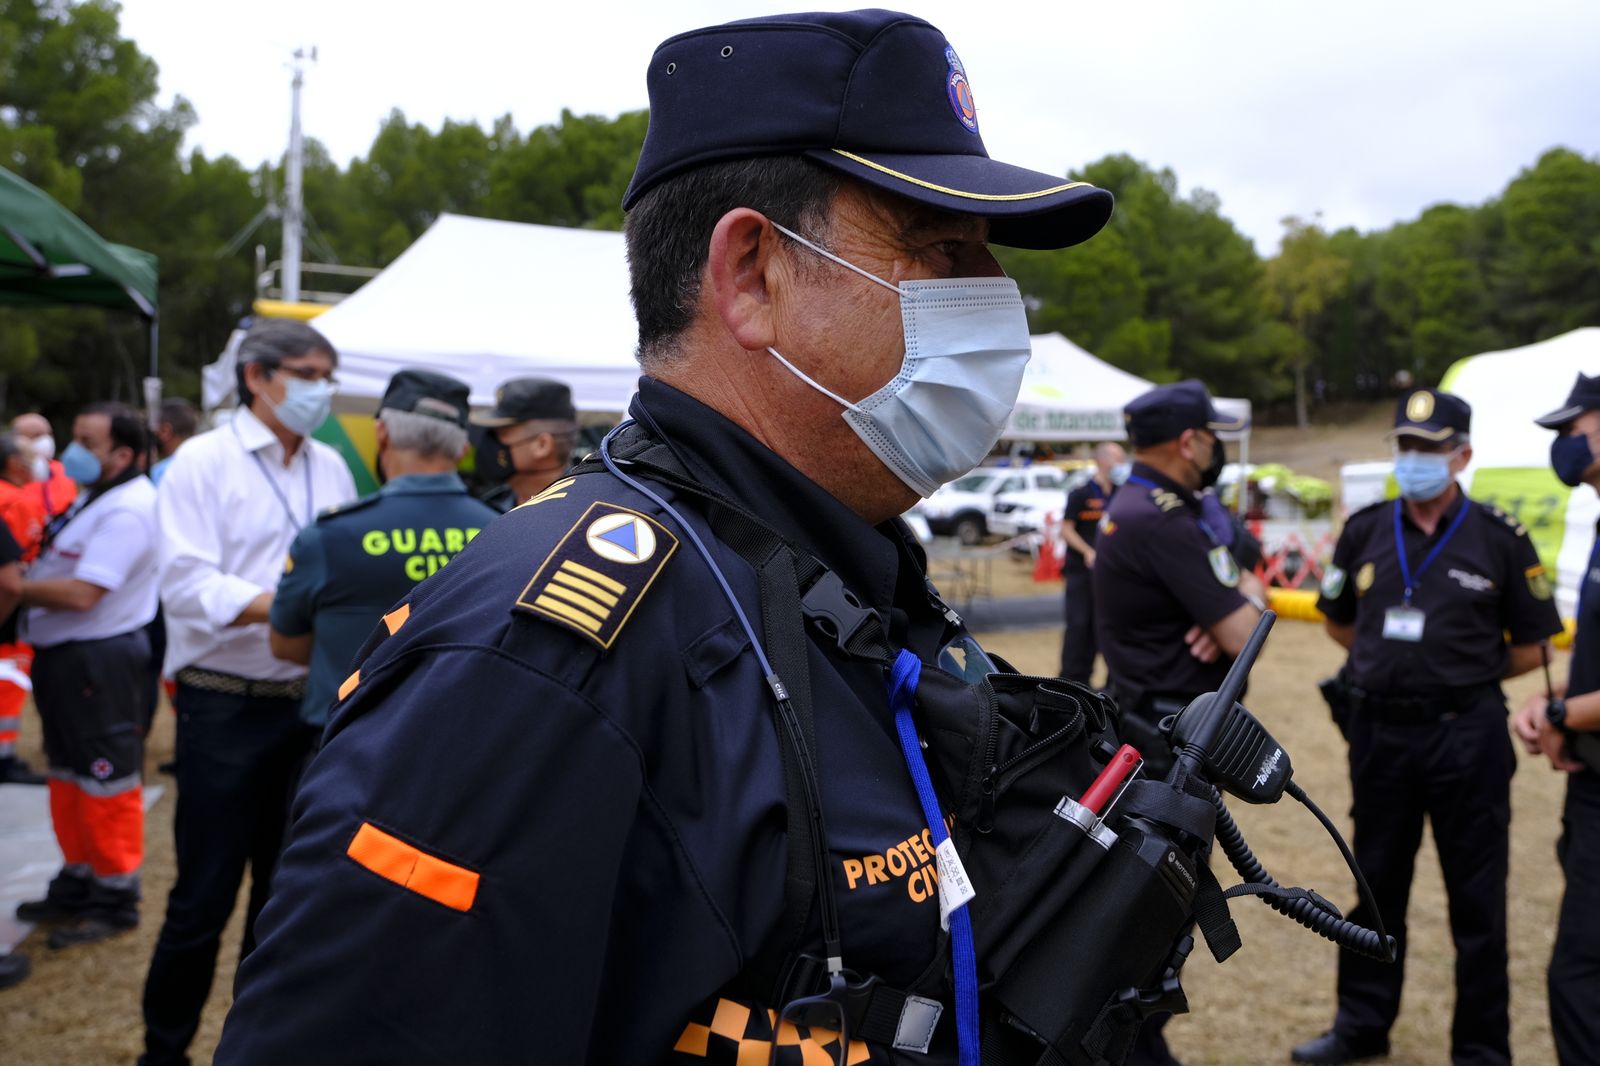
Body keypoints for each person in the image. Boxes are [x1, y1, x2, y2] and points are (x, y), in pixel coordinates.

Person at [216, 10, 1118, 1063]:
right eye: (941, 249)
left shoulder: (830, 572)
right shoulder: (541, 654)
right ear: (751, 274)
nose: (995, 297)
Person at [1292, 388, 1563, 1066]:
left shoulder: (1501, 537)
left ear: (1461, 456)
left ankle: (1479, 1049)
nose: (1413, 459)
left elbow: (1536, 646)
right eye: (1404, 447)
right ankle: (1361, 1026)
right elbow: (1338, 619)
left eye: (1429, 448)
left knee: (1477, 902)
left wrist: (1458, 673)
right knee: (1376, 891)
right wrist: (1392, 668)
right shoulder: (1365, 529)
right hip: (1380, 737)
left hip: (1466, 737)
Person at [141, 319, 355, 1066]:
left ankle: (254, 1048)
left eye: (330, 374)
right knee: (202, 900)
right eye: (307, 373)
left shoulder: (329, 464)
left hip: (310, 708)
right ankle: (163, 1051)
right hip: (224, 702)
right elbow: (187, 581)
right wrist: (292, 606)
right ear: (256, 377)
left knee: (284, 900)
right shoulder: (202, 462)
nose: (321, 389)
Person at [1090, 379, 1262, 1066]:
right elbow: (1242, 632)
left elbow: (1233, 622)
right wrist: (1244, 600)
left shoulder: (1138, 505)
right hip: (1168, 756)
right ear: (1190, 442)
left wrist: (1236, 605)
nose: (1216, 448)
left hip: (1149, 738)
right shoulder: (1161, 517)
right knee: (1154, 924)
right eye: (1212, 436)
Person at [269, 369, 497, 734]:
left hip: (347, 743)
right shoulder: (502, 529)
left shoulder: (329, 535)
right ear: (463, 447)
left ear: (382, 433)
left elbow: (285, 646)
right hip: (458, 744)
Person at [13, 403, 159, 947]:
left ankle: (115, 895)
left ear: (122, 454)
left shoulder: (130, 509)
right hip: (69, 659)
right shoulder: (98, 499)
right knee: (69, 774)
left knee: (105, 777)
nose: (72, 452)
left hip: (98, 659)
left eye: (85, 441)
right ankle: (78, 877)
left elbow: (84, 592)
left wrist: (14, 587)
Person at [1513, 373, 1600, 1066]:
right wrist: (1565, 710)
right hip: (1590, 779)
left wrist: (1559, 710)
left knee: (1578, 976)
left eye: (1572, 431)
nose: (1562, 447)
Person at [0, 432, 47, 784]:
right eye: (30, 456)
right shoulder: (17, 502)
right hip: (10, 611)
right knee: (9, 683)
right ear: (15, 463)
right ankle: (4, 758)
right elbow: (17, 568)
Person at [1058, 441, 1124, 684]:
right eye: (1119, 459)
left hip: (1112, 578)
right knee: (1079, 628)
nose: (1123, 464)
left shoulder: (1121, 493)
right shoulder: (1081, 493)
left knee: (1108, 629)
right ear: (1103, 461)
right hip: (1082, 576)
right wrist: (1087, 551)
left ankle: (1113, 688)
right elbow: (1066, 529)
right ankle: (1073, 684)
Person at [469, 376, 580, 511]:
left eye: (501, 435)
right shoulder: (489, 506)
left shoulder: (583, 510)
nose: (489, 444)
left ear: (542, 445)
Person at [12, 412, 76, 520]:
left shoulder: (63, 470)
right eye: (37, 435)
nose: (46, 441)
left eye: (49, 434)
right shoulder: (9, 476)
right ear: (17, 440)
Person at [150, 398, 199, 485]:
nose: (153, 431)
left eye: (155, 427)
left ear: (165, 431)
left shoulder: (162, 473)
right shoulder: (203, 466)